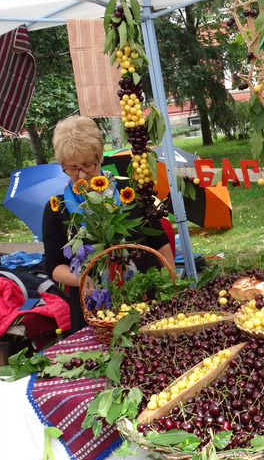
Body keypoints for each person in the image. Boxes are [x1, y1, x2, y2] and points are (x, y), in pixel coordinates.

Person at [41, 116, 174, 332]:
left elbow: (160, 242)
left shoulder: (132, 192)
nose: (81, 174)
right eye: (72, 168)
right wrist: (80, 279)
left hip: (148, 302)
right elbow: (53, 265)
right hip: (94, 312)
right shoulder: (57, 209)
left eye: (87, 165)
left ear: (100, 156)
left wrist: (170, 286)